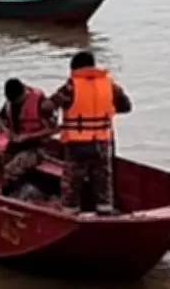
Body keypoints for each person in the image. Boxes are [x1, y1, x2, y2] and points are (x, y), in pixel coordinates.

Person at [50, 50, 132, 215]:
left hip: (77, 143)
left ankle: (69, 212)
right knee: (103, 178)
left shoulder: (70, 87)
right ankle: (105, 210)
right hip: (102, 142)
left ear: (75, 67)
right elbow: (126, 106)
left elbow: (48, 106)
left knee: (73, 180)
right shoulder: (110, 85)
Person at [0, 78, 57, 197]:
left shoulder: (41, 102)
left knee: (12, 168)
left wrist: (29, 136)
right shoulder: (10, 102)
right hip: (15, 143)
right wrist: (7, 132)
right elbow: (0, 120)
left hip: (36, 146)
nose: (14, 103)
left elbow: (54, 128)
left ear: (23, 93)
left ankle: (6, 193)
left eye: (16, 100)